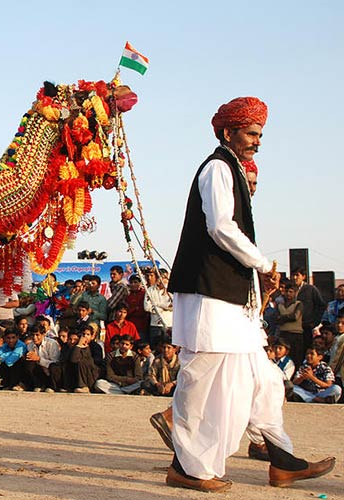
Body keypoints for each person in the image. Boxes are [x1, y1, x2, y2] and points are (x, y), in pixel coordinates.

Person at [164, 97, 334, 492]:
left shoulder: (233, 171)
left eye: (260, 135)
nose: (258, 141)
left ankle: (282, 460)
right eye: (252, 133)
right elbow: (221, 227)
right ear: (228, 132)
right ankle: (186, 467)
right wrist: (262, 264)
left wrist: (258, 281)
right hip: (209, 296)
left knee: (261, 382)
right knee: (203, 384)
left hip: (232, 300)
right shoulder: (217, 168)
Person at [292, 268, 326, 354]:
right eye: (293, 275)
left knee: (305, 349)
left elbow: (321, 305)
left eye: (297, 275)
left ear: (303, 276)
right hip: (292, 327)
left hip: (306, 326)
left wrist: (315, 322)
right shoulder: (290, 290)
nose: (294, 277)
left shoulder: (310, 289)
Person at [24, 324, 60, 392]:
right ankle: (39, 384)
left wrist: (39, 359)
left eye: (37, 335)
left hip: (51, 372)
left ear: (43, 334)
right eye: (32, 335)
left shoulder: (52, 343)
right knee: (29, 363)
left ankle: (53, 386)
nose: (34, 338)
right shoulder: (30, 346)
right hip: (41, 372)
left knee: (54, 367)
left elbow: (55, 362)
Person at [276, 283, 304, 367]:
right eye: (287, 291)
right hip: (284, 334)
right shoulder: (280, 305)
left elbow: (295, 316)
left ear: (295, 293)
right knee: (283, 356)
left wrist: (283, 318)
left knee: (296, 358)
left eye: (291, 292)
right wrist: (286, 317)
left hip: (296, 334)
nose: (288, 294)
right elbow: (277, 319)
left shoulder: (298, 304)